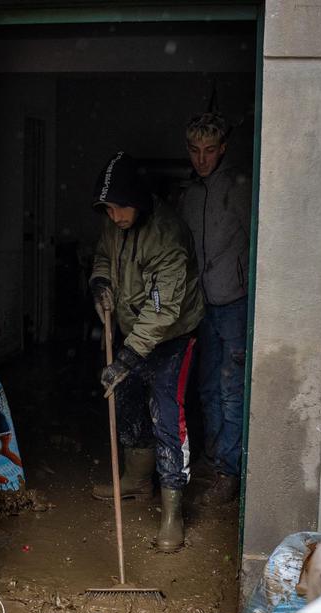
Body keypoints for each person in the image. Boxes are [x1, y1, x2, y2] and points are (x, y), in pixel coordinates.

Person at [89, 151, 205, 552]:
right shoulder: (115, 225)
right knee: (129, 402)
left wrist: (126, 358)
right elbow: (104, 256)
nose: (115, 216)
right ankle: (137, 481)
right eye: (108, 209)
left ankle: (174, 510)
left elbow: (164, 310)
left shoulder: (167, 235)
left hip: (171, 337)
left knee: (167, 417)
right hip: (132, 330)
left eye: (119, 207)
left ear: (137, 200)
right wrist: (100, 282)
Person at [176, 112, 252, 506]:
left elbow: (257, 242)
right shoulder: (190, 193)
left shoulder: (238, 188)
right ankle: (211, 458)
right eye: (194, 151)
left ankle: (229, 471)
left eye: (209, 151)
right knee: (205, 387)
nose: (201, 159)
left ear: (222, 149)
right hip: (200, 305)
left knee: (230, 389)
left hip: (234, 302)